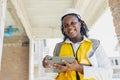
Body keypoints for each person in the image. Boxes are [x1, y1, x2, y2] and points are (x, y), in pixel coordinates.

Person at [42, 8, 113, 80]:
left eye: (73, 23)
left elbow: (108, 74)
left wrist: (79, 68)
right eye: (66, 25)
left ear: (80, 23)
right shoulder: (59, 47)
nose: (69, 27)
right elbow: (54, 75)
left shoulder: (94, 45)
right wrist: (48, 66)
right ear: (63, 29)